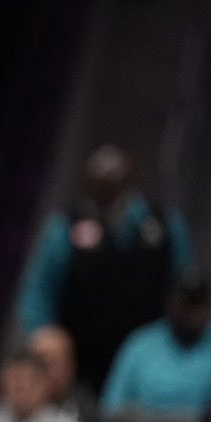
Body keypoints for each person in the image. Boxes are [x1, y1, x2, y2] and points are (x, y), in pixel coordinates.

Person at [16, 144, 192, 393]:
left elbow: (183, 283)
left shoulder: (163, 224)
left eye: (112, 183)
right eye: (99, 185)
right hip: (80, 353)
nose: (106, 192)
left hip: (145, 353)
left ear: (129, 182)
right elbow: (39, 290)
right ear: (88, 184)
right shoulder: (66, 225)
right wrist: (43, 334)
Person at [99, 274, 211, 417]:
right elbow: (112, 408)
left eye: (200, 305)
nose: (193, 314)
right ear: (169, 303)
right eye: (187, 304)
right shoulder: (140, 345)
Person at [27, 325, 99, 422]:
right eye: (39, 363)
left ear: (70, 365)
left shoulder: (87, 413)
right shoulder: (8, 414)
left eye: (52, 363)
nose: (45, 371)